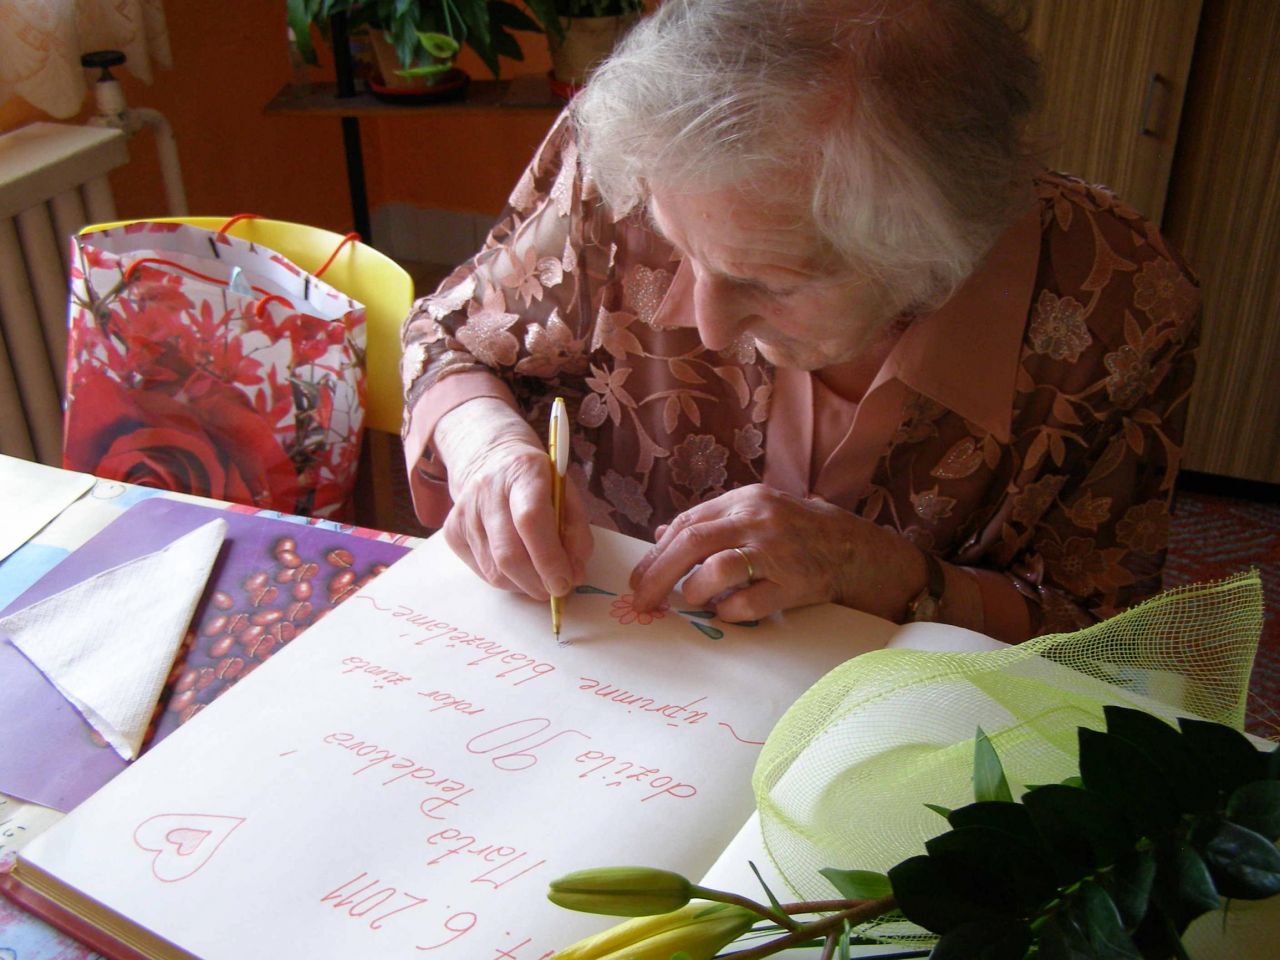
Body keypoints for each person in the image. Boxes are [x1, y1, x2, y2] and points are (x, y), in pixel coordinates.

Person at [399, 0, 1199, 644]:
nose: (709, 327)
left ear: (933, 257)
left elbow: (1107, 644)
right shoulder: (631, 158)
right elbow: (450, 336)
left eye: (767, 282)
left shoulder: (1120, 307)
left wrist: (888, 575)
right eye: (681, 249)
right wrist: (487, 451)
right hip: (607, 678)